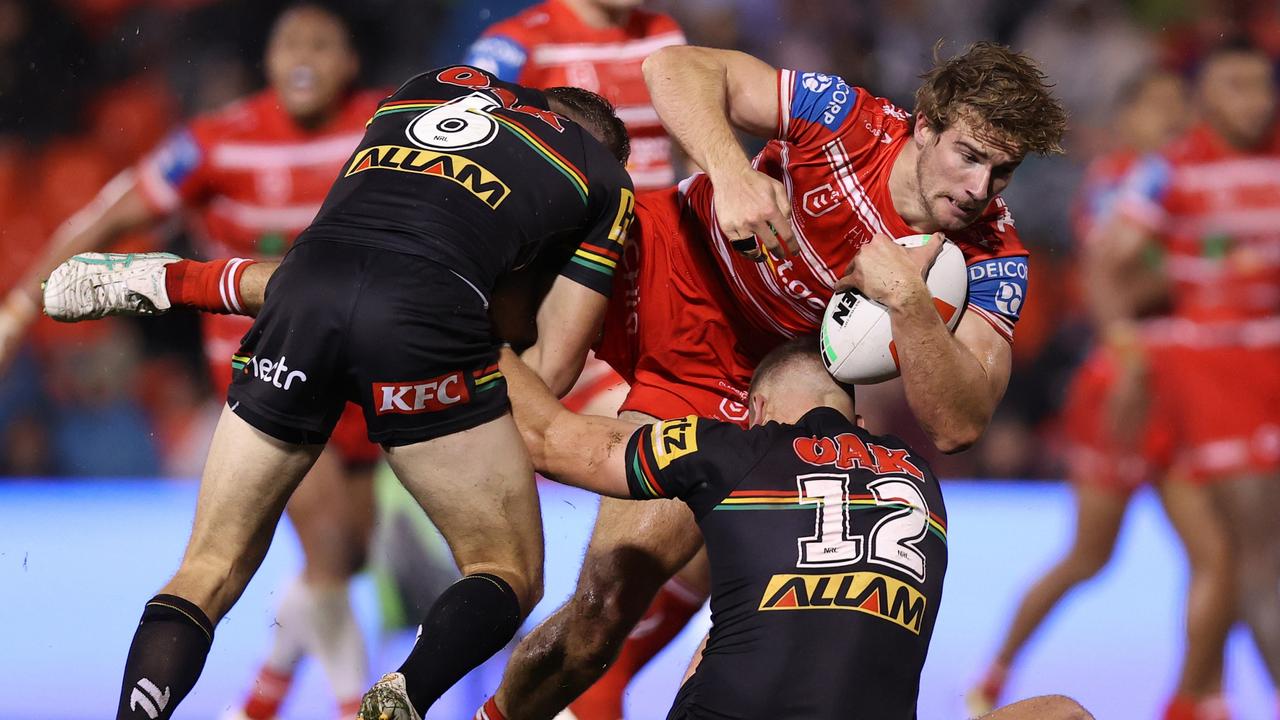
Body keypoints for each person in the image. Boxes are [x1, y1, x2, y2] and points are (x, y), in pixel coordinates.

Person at [49, 41, 1067, 719]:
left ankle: (472, 691)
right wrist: (728, 159)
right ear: (924, 121)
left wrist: (906, 308)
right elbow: (678, 71)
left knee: (598, 609)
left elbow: (961, 417)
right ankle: (202, 288)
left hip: (725, 376)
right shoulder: (845, 117)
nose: (976, 190)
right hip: (657, 256)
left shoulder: (995, 253)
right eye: (968, 157)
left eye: (1001, 174)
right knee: (473, 279)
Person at [61, 63, 635, 720]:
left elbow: (365, 231)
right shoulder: (604, 177)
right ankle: (404, 693)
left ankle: (181, 281)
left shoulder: (427, 85)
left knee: (210, 564)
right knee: (506, 570)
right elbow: (555, 366)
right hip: (423, 316)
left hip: (303, 290)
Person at [1, 5, 386, 717]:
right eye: (289, 43)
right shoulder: (218, 140)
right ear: (268, 61)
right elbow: (106, 220)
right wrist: (21, 308)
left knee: (347, 560)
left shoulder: (382, 132)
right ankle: (352, 706)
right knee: (330, 556)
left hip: (362, 371)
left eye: (321, 44)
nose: (304, 56)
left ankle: (257, 703)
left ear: (350, 62)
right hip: (270, 376)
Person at [496, 338, 1094, 720]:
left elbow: (555, 444)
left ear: (754, 413)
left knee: (729, 628)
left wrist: (465, 331)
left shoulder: (739, 449)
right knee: (1063, 715)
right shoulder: (922, 483)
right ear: (856, 421)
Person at [967, 68, 1236, 720]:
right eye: (1160, 104)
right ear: (1128, 118)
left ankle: (1198, 699)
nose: (1175, 118)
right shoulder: (1133, 181)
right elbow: (1111, 279)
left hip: (1175, 384)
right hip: (1126, 382)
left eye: (1182, 106)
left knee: (1219, 556)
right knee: (1091, 555)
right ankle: (994, 677)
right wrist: (1203, 269)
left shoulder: (1175, 179)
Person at [466, 4, 698, 715]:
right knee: (660, 475)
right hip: (571, 294)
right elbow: (460, 159)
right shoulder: (513, 46)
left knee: (702, 537)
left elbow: (682, 161)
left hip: (658, 291)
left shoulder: (661, 33)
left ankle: (590, 678)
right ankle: (566, 682)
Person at [1101, 38, 1280, 697]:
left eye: (1263, 86)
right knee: (1250, 558)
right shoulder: (1165, 170)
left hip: (1268, 366)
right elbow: (1107, 265)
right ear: (1202, 94)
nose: (1255, 102)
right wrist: (1130, 354)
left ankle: (1197, 699)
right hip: (1215, 379)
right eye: (1235, 86)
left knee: (1237, 560)